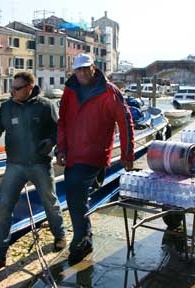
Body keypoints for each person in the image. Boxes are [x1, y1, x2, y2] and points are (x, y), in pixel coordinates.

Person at [0, 71, 66, 273]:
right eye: (12, 87)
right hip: (15, 165)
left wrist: (51, 142)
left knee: (50, 202)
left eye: (17, 88)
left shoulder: (46, 106)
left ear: (29, 88)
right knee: (3, 207)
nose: (13, 91)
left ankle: (60, 235)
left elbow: (59, 129)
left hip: (40, 164)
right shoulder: (7, 107)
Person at [57, 53, 134, 264]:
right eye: (78, 69)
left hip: (94, 154)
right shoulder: (70, 90)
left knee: (74, 192)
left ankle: (81, 240)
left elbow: (125, 121)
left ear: (93, 68)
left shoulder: (110, 91)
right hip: (73, 154)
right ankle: (86, 238)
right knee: (75, 195)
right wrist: (60, 149)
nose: (81, 73)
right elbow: (62, 120)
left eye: (85, 68)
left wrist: (127, 155)